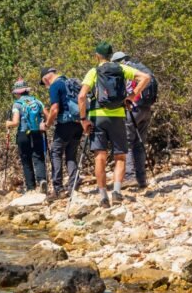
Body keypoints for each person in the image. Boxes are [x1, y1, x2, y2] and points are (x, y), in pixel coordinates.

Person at [78, 42, 152, 207]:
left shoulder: (94, 71)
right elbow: (146, 77)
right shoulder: (121, 69)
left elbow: (82, 96)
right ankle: (117, 191)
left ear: (97, 55)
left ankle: (103, 195)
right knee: (120, 155)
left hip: (98, 116)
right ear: (111, 55)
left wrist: (83, 119)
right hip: (118, 116)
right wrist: (132, 96)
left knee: (100, 156)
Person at [112, 51, 156, 189]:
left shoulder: (127, 70)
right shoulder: (142, 67)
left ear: (118, 61)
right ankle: (142, 179)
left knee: (128, 143)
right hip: (146, 109)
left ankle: (130, 177)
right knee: (140, 143)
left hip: (133, 109)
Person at [40, 67, 83, 198]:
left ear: (46, 78)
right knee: (71, 154)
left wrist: (47, 124)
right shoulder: (70, 82)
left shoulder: (55, 85)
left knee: (56, 153)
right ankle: (73, 185)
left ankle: (58, 188)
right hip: (79, 123)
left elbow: (54, 109)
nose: (45, 86)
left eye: (44, 83)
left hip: (65, 124)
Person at [6, 79, 47, 193]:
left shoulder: (17, 104)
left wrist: (8, 123)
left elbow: (15, 122)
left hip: (23, 134)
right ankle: (42, 180)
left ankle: (31, 187)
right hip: (37, 132)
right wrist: (45, 124)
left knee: (26, 160)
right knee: (38, 157)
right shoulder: (37, 101)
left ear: (18, 92)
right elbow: (47, 114)